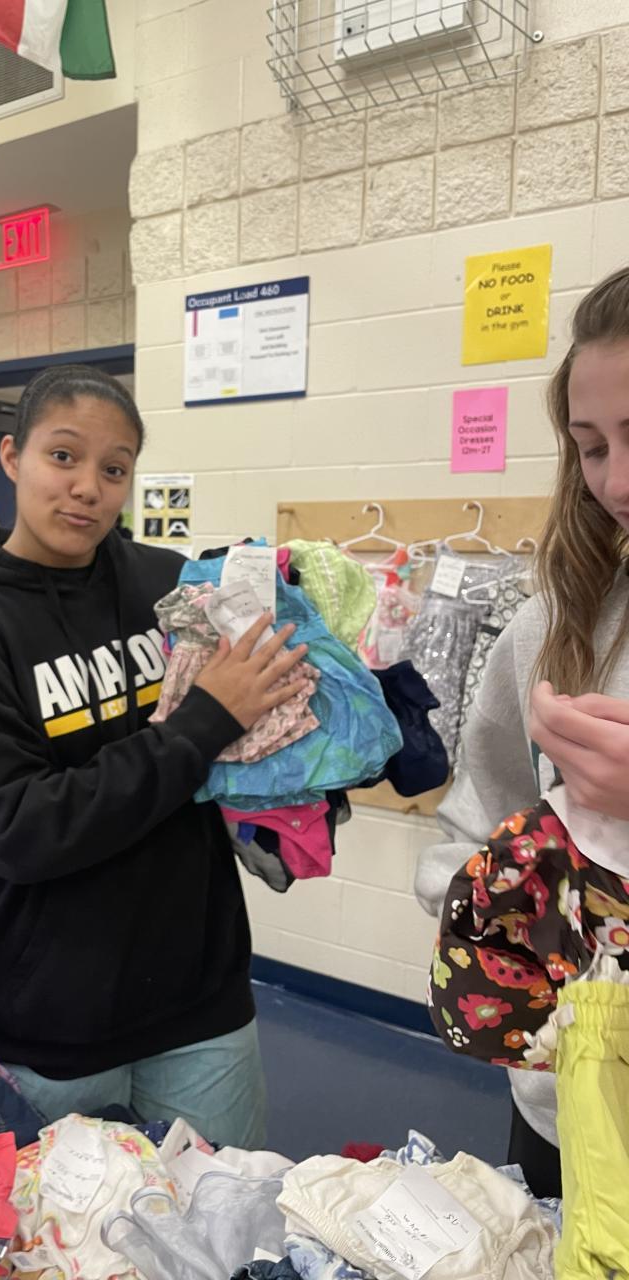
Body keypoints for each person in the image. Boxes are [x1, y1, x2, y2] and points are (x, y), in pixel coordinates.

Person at [0, 364, 310, 1147]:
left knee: (227, 1211)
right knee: (68, 1226)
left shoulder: (169, 586)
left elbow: (249, 735)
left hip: (200, 998)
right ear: (13, 456)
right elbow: (22, 828)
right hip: (48, 1019)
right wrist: (206, 720)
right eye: (63, 456)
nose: (88, 487)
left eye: (114, 469)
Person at [415, 265, 629, 1198]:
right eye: (592, 447)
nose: (616, 482)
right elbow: (480, 818)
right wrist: (487, 923)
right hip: (564, 1106)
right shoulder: (552, 626)